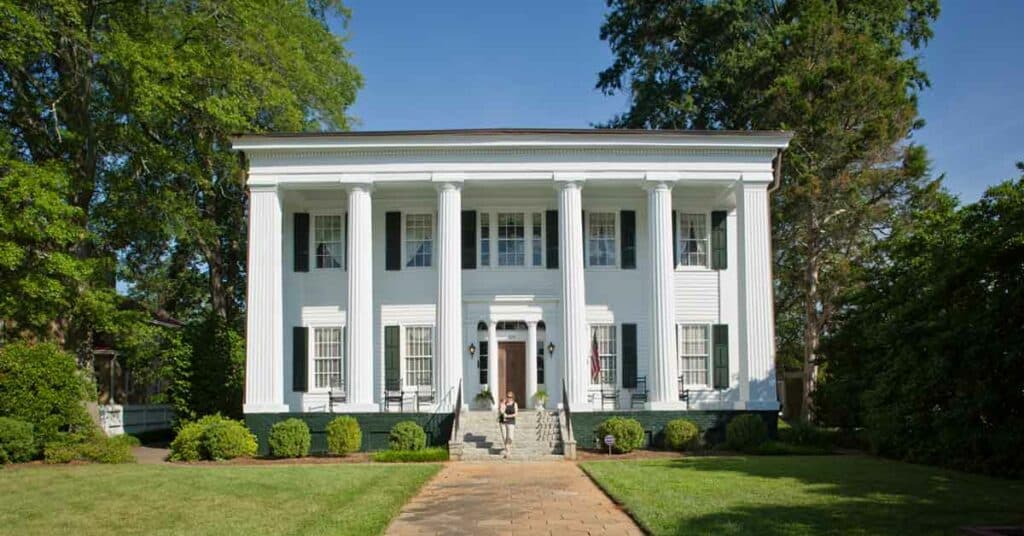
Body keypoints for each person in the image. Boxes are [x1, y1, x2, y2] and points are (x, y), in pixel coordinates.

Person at [498, 391, 518, 459]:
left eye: (510, 397)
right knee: (505, 437)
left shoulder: (514, 404)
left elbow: (516, 414)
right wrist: (502, 405)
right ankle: (508, 452)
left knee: (510, 437)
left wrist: (508, 416)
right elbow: (501, 412)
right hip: (503, 421)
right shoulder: (504, 403)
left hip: (511, 421)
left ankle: (507, 451)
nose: (509, 398)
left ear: (513, 397)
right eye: (508, 396)